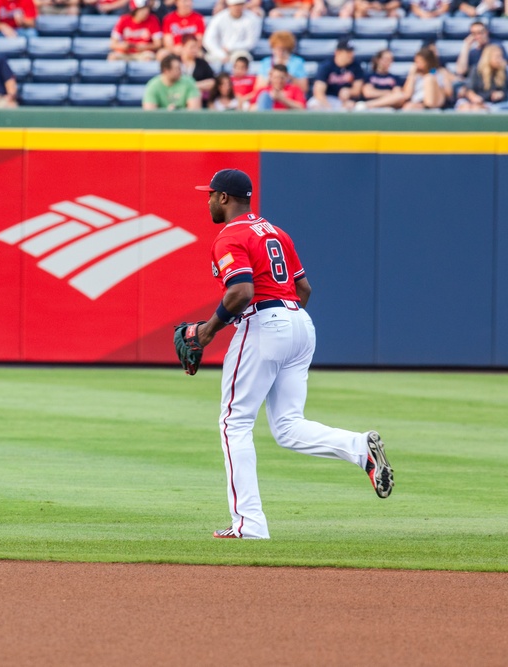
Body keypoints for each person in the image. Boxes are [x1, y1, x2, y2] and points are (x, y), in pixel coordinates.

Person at [185, 168, 393, 540]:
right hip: (299, 321)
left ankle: (249, 525)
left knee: (235, 423)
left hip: (264, 323)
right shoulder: (275, 231)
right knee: (287, 426)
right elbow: (304, 287)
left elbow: (241, 292)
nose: (208, 200)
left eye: (210, 194)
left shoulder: (229, 236)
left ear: (224, 198)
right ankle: (359, 448)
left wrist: (207, 331)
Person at [202, 0, 262, 72]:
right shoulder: (219, 18)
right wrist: (221, 54)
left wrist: (230, 47)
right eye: (235, 5)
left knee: (243, 60)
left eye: (240, 4)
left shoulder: (252, 19)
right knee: (206, 62)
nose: (237, 8)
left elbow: (251, 43)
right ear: (229, 5)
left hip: (240, 51)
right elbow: (208, 40)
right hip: (220, 50)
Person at [308, 39, 363, 110]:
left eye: (352, 52)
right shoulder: (326, 66)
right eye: (348, 52)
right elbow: (318, 92)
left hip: (345, 101)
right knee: (314, 104)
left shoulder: (356, 66)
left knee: (357, 106)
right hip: (328, 98)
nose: (351, 55)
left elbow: (357, 90)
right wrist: (330, 109)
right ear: (337, 52)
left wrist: (349, 91)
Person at [254, 30, 307, 96]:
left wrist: (289, 77)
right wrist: (270, 77)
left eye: (283, 49)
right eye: (276, 48)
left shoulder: (297, 62)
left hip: (290, 95)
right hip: (271, 95)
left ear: (289, 49)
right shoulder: (266, 62)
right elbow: (258, 89)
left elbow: (304, 88)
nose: (280, 52)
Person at [458, 44, 507, 111]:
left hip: (493, 104)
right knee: (467, 107)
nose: (499, 60)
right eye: (497, 57)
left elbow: (505, 92)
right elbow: (469, 90)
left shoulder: (503, 71)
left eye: (501, 57)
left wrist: (501, 94)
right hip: (475, 102)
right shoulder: (477, 70)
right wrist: (474, 98)